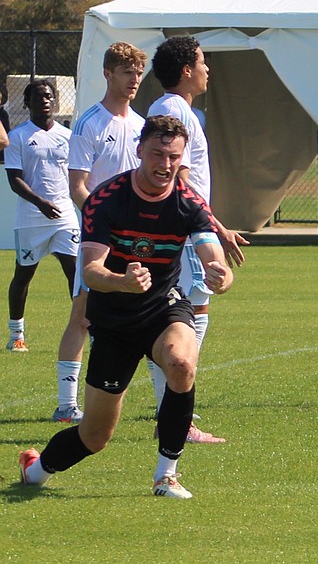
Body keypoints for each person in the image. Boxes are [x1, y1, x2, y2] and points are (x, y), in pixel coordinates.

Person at [18, 115, 234, 499]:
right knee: (95, 436)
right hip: (114, 320)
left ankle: (166, 475)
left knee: (182, 363)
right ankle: (35, 469)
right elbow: (90, 271)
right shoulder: (106, 200)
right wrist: (122, 281)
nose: (165, 165)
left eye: (173, 157)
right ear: (139, 151)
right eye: (156, 154)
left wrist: (221, 274)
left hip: (163, 309)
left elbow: (211, 252)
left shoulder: (188, 201)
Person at [147, 35, 246, 442]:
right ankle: (175, 414)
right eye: (203, 62)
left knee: (179, 316)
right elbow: (181, 179)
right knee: (189, 316)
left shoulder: (174, 109)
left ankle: (170, 409)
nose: (208, 69)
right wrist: (214, 227)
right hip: (186, 229)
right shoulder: (175, 112)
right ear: (187, 69)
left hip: (187, 226)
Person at [49, 42, 148, 424]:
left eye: (138, 73)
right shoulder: (90, 123)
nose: (134, 80)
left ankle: (161, 407)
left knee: (151, 316)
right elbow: (78, 186)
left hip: (138, 239)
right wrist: (105, 223)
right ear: (108, 74)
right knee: (83, 315)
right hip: (100, 238)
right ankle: (65, 404)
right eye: (127, 72)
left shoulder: (141, 126)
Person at [5, 80, 78, 354]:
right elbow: (14, 180)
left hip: (64, 216)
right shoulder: (19, 136)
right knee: (23, 275)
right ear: (27, 103)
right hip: (31, 218)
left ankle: (88, 328)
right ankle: (17, 335)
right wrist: (40, 202)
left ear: (55, 102)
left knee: (75, 272)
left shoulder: (68, 136)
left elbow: (77, 175)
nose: (44, 100)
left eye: (48, 96)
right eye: (37, 97)